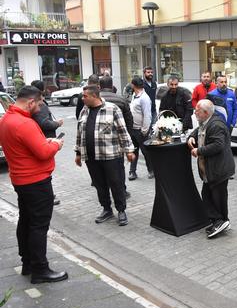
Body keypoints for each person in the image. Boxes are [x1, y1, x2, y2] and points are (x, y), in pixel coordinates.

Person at [0, 86, 67, 284]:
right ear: (30, 102)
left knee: (26, 221)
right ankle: (40, 269)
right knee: (38, 225)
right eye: (38, 104)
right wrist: (56, 144)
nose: (39, 108)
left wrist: (44, 141)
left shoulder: (7, 119)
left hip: (20, 179)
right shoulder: (24, 123)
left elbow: (26, 146)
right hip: (36, 181)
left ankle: (27, 263)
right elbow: (44, 153)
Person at [75, 85, 135, 226]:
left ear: (94, 96)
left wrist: (129, 150)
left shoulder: (112, 109)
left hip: (111, 156)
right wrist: (78, 153)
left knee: (117, 184)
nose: (82, 99)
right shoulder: (84, 111)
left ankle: (121, 210)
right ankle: (106, 209)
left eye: (85, 96)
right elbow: (79, 133)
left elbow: (123, 131)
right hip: (91, 157)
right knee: (99, 185)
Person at [187, 99, 235, 238]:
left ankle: (221, 221)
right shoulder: (206, 122)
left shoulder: (216, 125)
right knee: (209, 196)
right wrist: (191, 137)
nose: (195, 113)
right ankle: (220, 221)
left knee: (216, 197)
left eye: (197, 111)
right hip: (211, 170)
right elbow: (198, 130)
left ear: (206, 113)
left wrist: (199, 151)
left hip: (218, 169)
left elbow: (218, 145)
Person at [30, 80, 63, 206]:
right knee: (45, 170)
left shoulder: (33, 103)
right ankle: (49, 196)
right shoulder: (40, 104)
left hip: (40, 139)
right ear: (42, 90)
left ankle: (46, 195)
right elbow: (44, 123)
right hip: (45, 140)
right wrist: (57, 123)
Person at [128, 77, 153, 181]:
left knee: (146, 151)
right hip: (133, 129)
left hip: (140, 130)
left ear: (133, 85)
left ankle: (151, 170)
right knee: (133, 150)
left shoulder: (144, 98)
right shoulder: (135, 95)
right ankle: (132, 171)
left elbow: (147, 116)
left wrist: (144, 130)